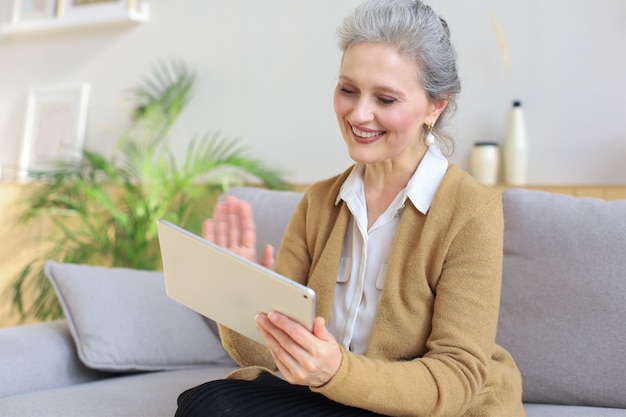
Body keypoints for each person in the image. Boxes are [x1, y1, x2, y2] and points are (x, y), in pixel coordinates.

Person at [175, 0, 525, 416]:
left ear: (436, 106)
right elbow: (271, 358)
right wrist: (236, 297)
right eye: (348, 89)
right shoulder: (319, 203)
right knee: (207, 404)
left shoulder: (472, 211)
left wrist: (335, 370)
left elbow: (454, 379)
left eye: (386, 99)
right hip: (329, 396)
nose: (359, 113)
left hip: (421, 407)